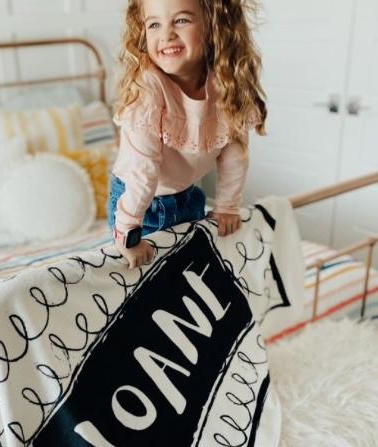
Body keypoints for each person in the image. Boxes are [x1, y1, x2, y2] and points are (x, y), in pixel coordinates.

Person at [108, 0, 267, 269]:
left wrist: (227, 206)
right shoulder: (147, 87)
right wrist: (128, 233)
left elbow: (234, 154)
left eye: (181, 20)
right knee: (148, 281)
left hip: (188, 196)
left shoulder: (226, 80)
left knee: (193, 273)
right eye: (154, 24)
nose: (166, 34)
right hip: (138, 204)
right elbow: (142, 170)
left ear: (214, 26)